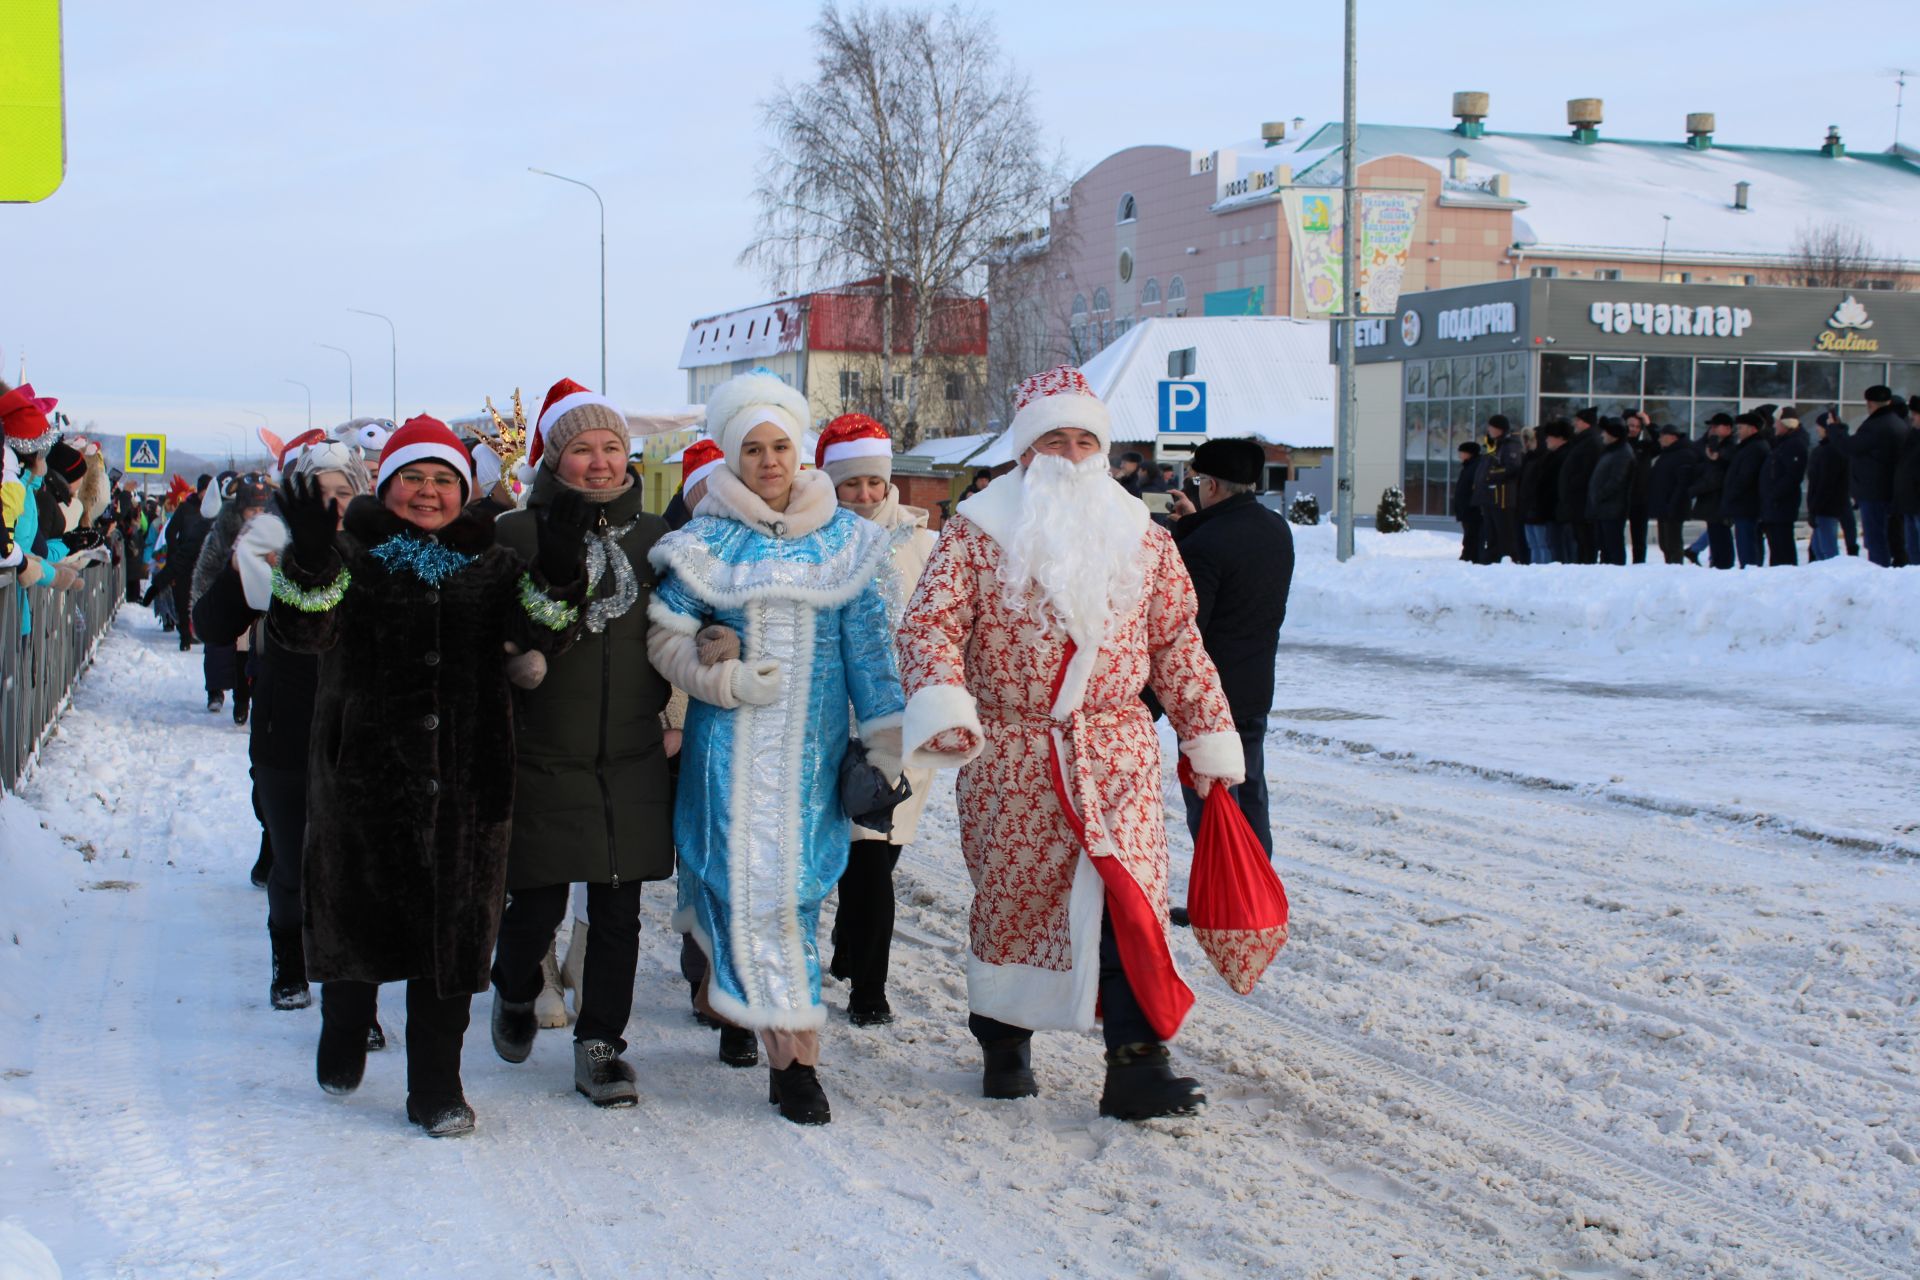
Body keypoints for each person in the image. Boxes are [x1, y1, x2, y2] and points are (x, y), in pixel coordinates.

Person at [895, 365, 1241, 1122]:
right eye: (1055, 436)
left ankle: (1136, 1062)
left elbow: (1178, 643)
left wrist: (1208, 736)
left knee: (1131, 899)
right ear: (1026, 448)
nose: (1072, 451)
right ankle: (1003, 1037)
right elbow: (928, 625)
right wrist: (947, 703)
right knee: (1016, 901)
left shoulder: (1145, 540)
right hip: (1014, 754)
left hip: (1116, 749)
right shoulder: (976, 532)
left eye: (1086, 438)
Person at [269, 414, 589, 1138]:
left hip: (469, 785)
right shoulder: (354, 554)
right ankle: (345, 1024)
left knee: (452, 945)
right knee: (357, 924)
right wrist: (312, 560)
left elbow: (544, 631)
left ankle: (436, 1087)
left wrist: (563, 566)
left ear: (465, 489)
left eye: (443, 479)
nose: (427, 492)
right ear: (387, 485)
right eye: (412, 477)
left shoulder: (496, 564)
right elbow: (299, 631)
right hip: (363, 784)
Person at [645, 371, 905, 1126]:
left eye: (780, 446)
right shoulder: (701, 541)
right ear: (731, 455)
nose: (768, 461)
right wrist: (717, 676)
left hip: (811, 764)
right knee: (745, 896)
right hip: (725, 757)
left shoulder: (853, 542)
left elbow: (872, 653)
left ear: (800, 450)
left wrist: (886, 743)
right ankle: (795, 1065)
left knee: (793, 900)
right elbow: (666, 637)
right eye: (752, 449)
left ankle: (772, 1033)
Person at [487, 379, 674, 1109]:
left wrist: (682, 705)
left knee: (619, 910)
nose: (599, 463)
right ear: (554, 458)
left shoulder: (661, 538)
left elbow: (681, 627)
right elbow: (488, 635)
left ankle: (600, 1046)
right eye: (581, 450)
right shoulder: (514, 533)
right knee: (535, 905)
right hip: (543, 750)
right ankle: (512, 988)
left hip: (632, 749)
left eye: (611, 448)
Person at [194, 432, 378, 1025]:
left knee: (355, 868)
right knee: (295, 858)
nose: (332, 501)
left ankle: (353, 1000)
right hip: (287, 725)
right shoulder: (271, 547)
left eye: (343, 490)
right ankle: (289, 962)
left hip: (361, 733)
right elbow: (214, 623)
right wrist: (249, 565)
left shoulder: (381, 550)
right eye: (317, 490)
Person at [811, 413, 938, 1028]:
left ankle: (860, 966)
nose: (863, 497)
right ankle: (868, 986)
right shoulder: (812, 542)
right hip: (830, 720)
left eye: (872, 484)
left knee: (878, 854)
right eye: (849, 485)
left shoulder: (926, 545)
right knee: (857, 853)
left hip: (902, 724)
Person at [1162, 436, 1292, 876]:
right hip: (1255, 686)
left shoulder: (1205, 544)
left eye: (1198, 479)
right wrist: (1195, 526)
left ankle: (1221, 901)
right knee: (1251, 790)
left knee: (1211, 800)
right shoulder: (1276, 528)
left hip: (1209, 697)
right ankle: (1257, 892)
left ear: (1211, 486)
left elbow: (1185, 630)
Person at [192, 473, 273, 721]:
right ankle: (239, 703)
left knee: (257, 657)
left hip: (263, 610)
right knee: (238, 657)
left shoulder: (274, 531)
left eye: (261, 508)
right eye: (251, 510)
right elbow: (207, 567)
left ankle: (249, 700)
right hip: (233, 602)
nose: (256, 514)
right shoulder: (225, 530)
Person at [1842, 387, 1905, 566]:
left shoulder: (1877, 426)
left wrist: (1835, 430)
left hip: (1875, 491)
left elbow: (1850, 447)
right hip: (1888, 490)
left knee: (1876, 539)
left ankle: (1879, 573)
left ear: (1870, 404)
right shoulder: (1897, 424)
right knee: (1889, 537)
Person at [1758, 409, 1809, 567]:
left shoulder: (1794, 444)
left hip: (1781, 505)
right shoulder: (1782, 443)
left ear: (1786, 424)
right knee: (1776, 546)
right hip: (1774, 504)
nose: (1774, 426)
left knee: (1782, 546)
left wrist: (1773, 494)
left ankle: (1786, 574)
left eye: (1777, 422)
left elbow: (1792, 476)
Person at [1722, 413, 1771, 569]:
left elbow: (1745, 477)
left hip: (1748, 504)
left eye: (1741, 427)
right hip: (1743, 504)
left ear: (1751, 429)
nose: (1738, 431)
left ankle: (1750, 571)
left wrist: (1731, 494)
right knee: (1745, 542)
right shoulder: (1747, 447)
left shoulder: (1755, 448)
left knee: (1748, 543)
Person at [1558, 408, 1604, 563]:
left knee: (1586, 539)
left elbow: (1587, 471)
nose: (1574, 423)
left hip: (1582, 499)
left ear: (1586, 422)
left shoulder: (1592, 442)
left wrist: (1572, 484)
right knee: (1580, 538)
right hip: (1576, 500)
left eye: (1578, 420)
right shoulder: (1582, 441)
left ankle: (1587, 564)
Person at [1646, 424, 1697, 564]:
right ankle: (1669, 567)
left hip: (1674, 506)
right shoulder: (1668, 453)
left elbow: (1683, 484)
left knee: (1673, 542)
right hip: (1663, 505)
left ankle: (1675, 568)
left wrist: (1673, 504)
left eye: (1663, 435)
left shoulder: (1685, 454)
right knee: (1665, 543)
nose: (1660, 439)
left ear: (1673, 437)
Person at [1587, 418, 1633, 565]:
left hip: (1613, 509)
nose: (1602, 435)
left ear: (1614, 434)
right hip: (1603, 508)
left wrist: (1599, 494)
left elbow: (1616, 481)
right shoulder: (1610, 452)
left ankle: (1616, 572)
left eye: (1605, 432)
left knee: (1613, 545)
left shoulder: (1623, 453)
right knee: (1604, 546)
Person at [1477, 415, 1523, 564]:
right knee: (1491, 533)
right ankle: (1491, 560)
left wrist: (1491, 474)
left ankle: (1507, 560)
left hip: (1502, 498)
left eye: (1491, 427)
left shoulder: (1510, 445)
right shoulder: (1495, 445)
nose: (1488, 430)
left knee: (1504, 534)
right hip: (1490, 497)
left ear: (1499, 428)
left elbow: (1512, 467)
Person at [1804, 414, 1850, 562]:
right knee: (1818, 549)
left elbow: (1826, 482)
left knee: (1827, 550)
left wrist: (1816, 506)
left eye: (1819, 426)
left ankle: (1832, 577)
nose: (1817, 429)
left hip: (1827, 507)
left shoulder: (1831, 451)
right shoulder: (1825, 449)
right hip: (1823, 506)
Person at [1521, 422, 1568, 565]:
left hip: (1539, 509)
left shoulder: (1544, 459)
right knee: (1534, 545)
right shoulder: (1529, 458)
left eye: (1531, 439)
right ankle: (1535, 569)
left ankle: (1543, 570)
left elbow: (1540, 485)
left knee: (1542, 545)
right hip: (1529, 508)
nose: (1528, 443)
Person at [1689, 432, 1735, 570]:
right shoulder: (1707, 452)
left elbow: (1714, 479)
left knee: (1720, 534)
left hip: (1720, 502)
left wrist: (1692, 491)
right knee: (1715, 532)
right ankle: (1711, 558)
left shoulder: (1729, 451)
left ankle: (1713, 559)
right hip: (1713, 503)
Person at [1624, 409, 1657, 564]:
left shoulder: (1644, 447)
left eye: (1637, 426)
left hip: (1640, 498)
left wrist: (1649, 423)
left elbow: (1660, 442)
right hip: (1620, 498)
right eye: (1630, 425)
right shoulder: (1618, 446)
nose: (1633, 429)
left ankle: (1639, 564)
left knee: (1639, 538)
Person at [1894, 396, 1920, 565]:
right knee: (1912, 548)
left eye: (1916, 414)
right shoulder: (1912, 436)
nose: (1912, 417)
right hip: (1909, 502)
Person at [1453, 441, 1484, 562]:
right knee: (1469, 533)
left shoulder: (1475, 466)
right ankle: (1468, 555)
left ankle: (1470, 556)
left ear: (1469, 453)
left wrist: (1471, 504)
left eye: (1462, 452)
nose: (1460, 455)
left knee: (1472, 535)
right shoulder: (1468, 466)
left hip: (1472, 509)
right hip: (1466, 508)